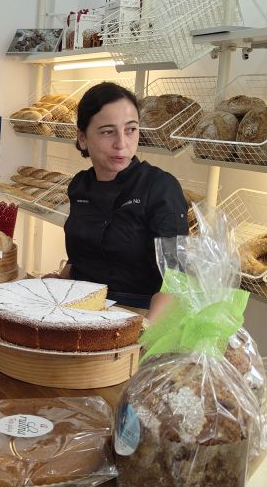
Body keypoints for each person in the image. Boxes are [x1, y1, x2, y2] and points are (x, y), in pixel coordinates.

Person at [58, 81, 188, 317]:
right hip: (76, 308)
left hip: (136, 315)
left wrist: (143, 337)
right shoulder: (80, 185)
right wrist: (56, 282)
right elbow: (81, 256)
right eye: (108, 131)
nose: (122, 143)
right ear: (83, 138)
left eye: (131, 129)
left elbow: (175, 279)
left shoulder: (160, 188)